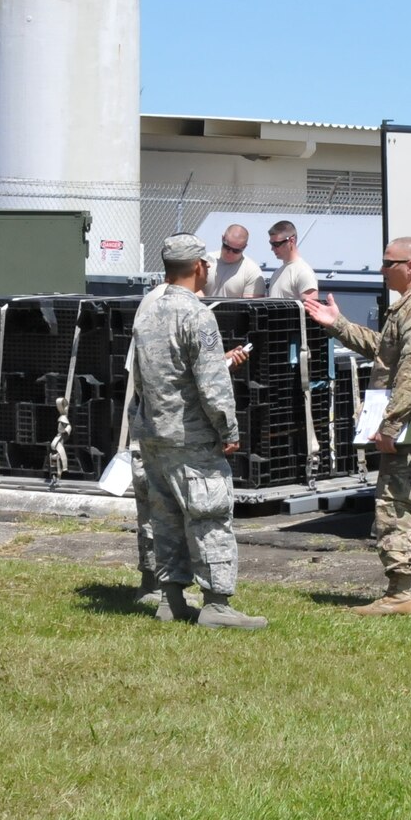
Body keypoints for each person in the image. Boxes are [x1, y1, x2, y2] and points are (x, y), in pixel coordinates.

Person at [303, 236, 411, 615]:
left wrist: (391, 425)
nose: (382, 269)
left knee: (395, 500)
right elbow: (385, 350)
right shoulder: (409, 307)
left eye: (389, 263)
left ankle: (399, 593)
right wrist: (337, 324)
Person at [131, 233, 266, 629]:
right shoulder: (197, 314)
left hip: (155, 432)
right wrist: (228, 428)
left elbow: (144, 374)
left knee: (166, 517)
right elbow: (211, 382)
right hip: (192, 437)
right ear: (198, 267)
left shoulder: (147, 307)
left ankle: (171, 600)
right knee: (210, 515)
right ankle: (217, 604)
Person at [264, 220, 320, 300]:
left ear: (291, 240)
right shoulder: (277, 273)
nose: (272, 248)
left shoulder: (303, 272)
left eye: (276, 244)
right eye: (271, 243)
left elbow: (311, 310)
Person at [211, 223, 265, 298]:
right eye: (226, 247)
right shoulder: (205, 261)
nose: (230, 253)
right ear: (222, 239)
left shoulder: (252, 271)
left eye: (236, 250)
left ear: (245, 247)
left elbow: (250, 306)